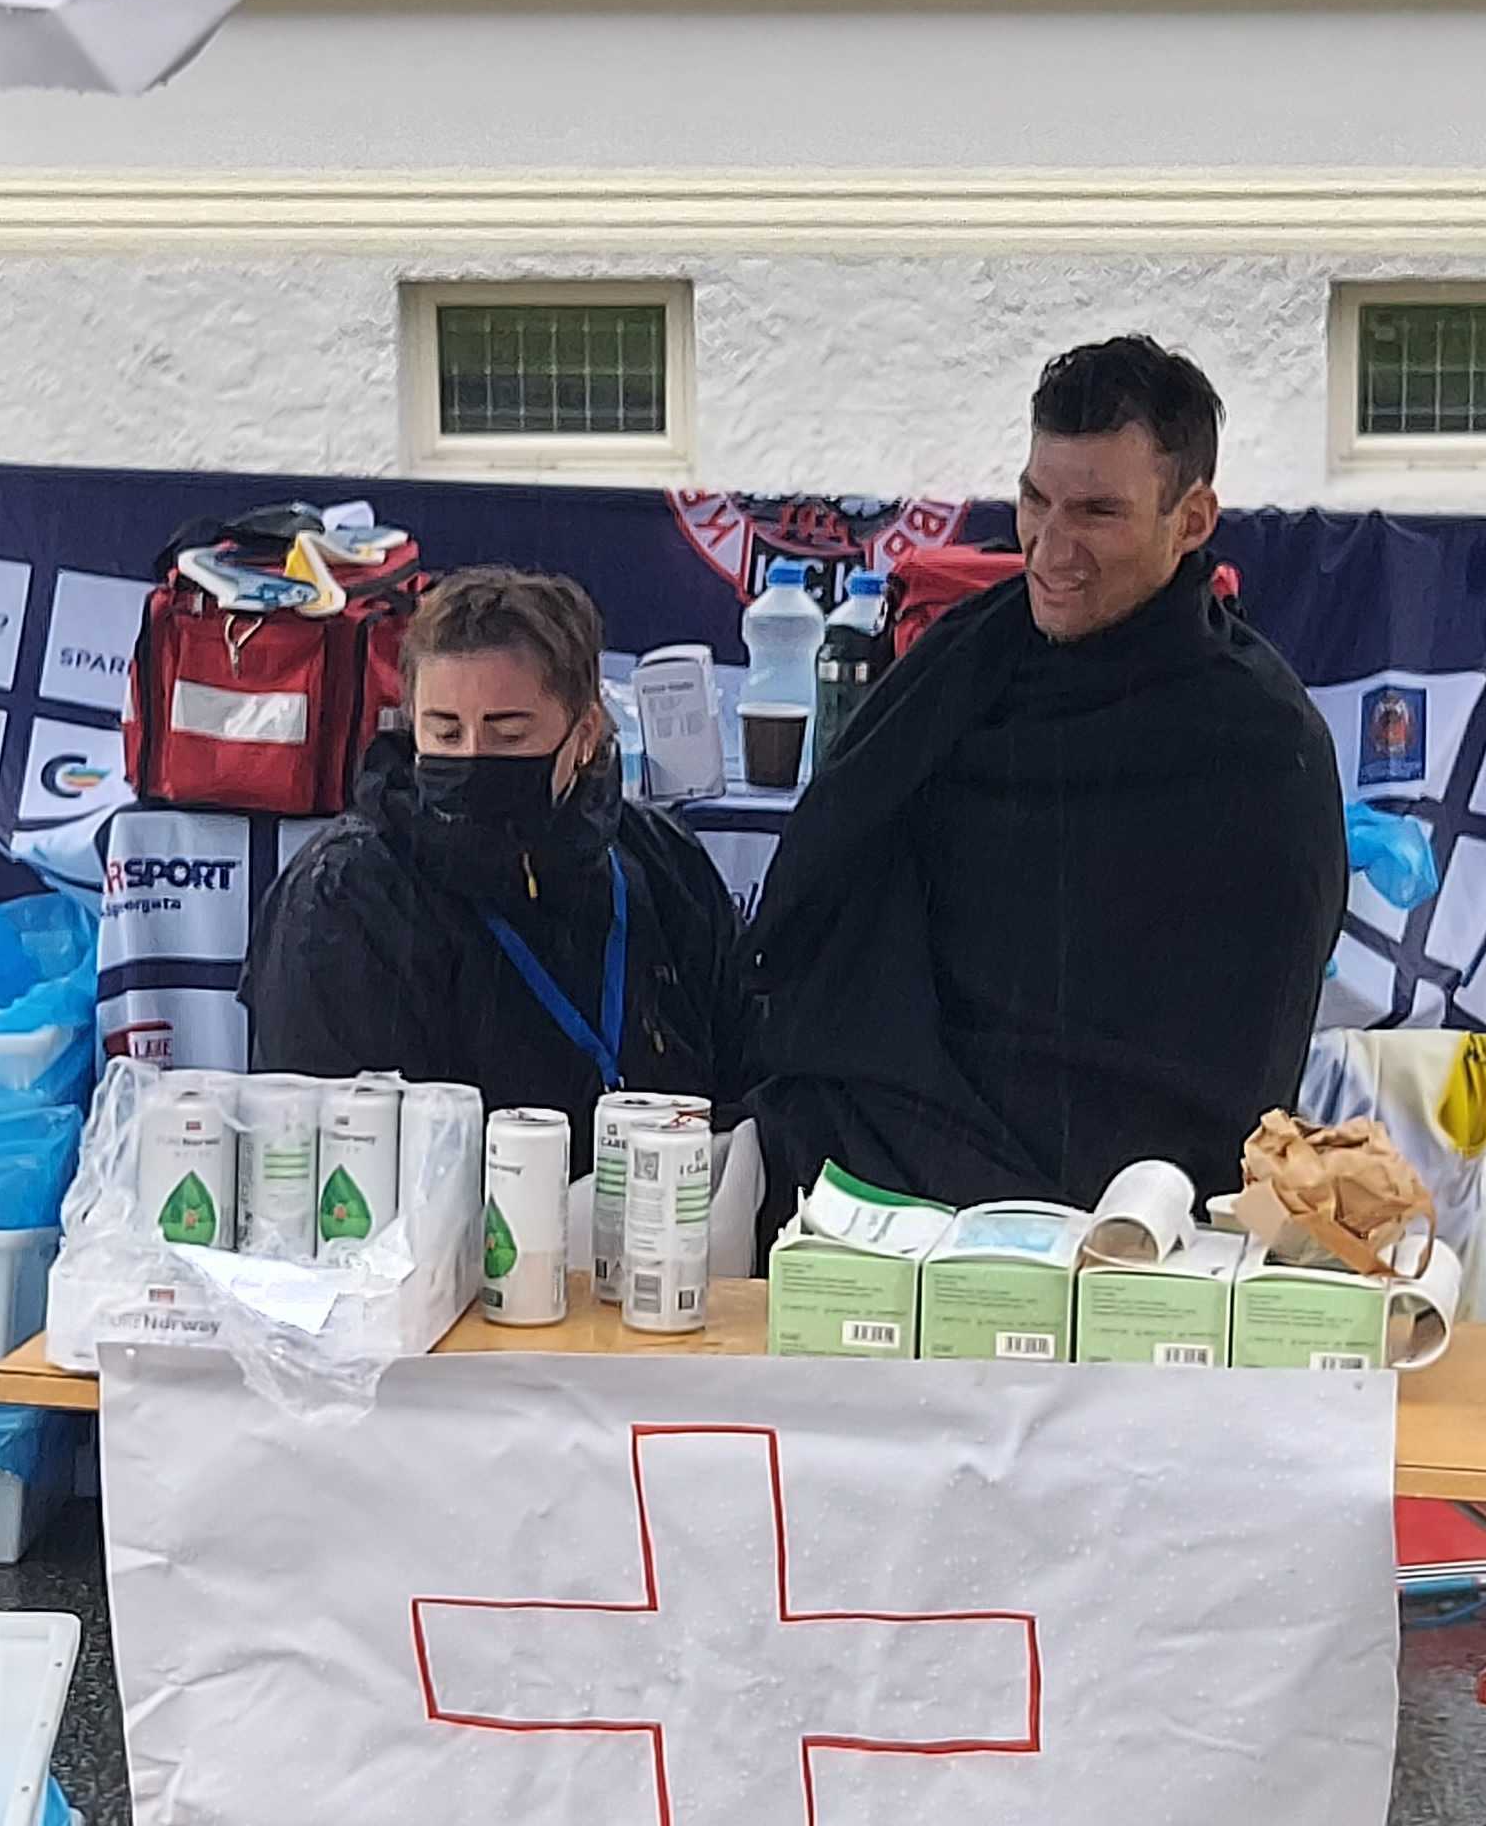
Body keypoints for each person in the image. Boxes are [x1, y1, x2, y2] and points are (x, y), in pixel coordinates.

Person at [743, 334, 1347, 1209]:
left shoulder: (1260, 746)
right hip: (894, 1165)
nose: (1052, 550)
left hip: (1125, 1214)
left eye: (1098, 513)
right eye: (1035, 501)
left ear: (1192, 520)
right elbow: (823, 904)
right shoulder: (963, 664)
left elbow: (1234, 1086)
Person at [246, 565, 742, 1115]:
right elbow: (329, 1132)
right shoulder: (346, 894)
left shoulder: (664, 862)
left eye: (508, 734)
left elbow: (744, 1074)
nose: (471, 756)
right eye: (445, 732)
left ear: (584, 733)